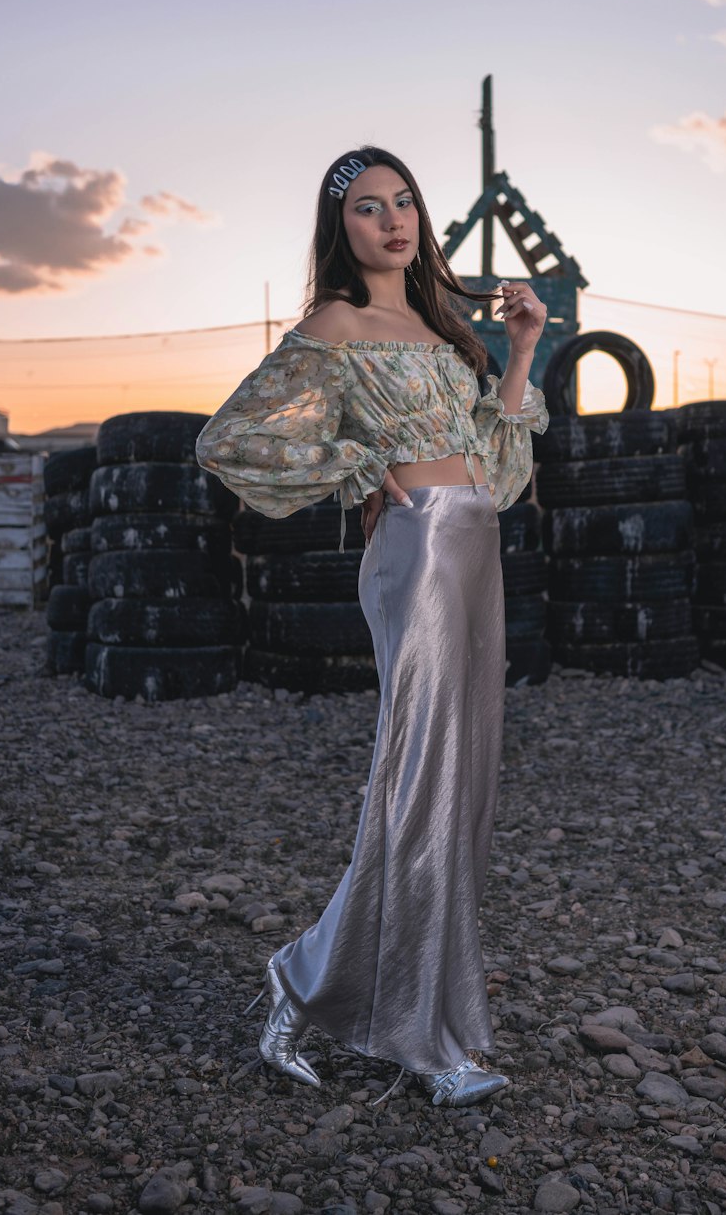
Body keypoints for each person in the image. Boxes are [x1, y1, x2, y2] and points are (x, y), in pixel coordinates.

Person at [194, 146, 548, 1108]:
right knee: (418, 781)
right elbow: (229, 439)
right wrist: (353, 459)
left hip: (475, 547)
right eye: (366, 209)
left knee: (464, 788)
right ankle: (423, 1038)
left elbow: (499, 467)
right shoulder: (337, 323)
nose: (392, 221)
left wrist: (519, 351)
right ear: (339, 228)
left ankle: (322, 988)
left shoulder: (441, 329)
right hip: (417, 552)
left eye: (404, 203)